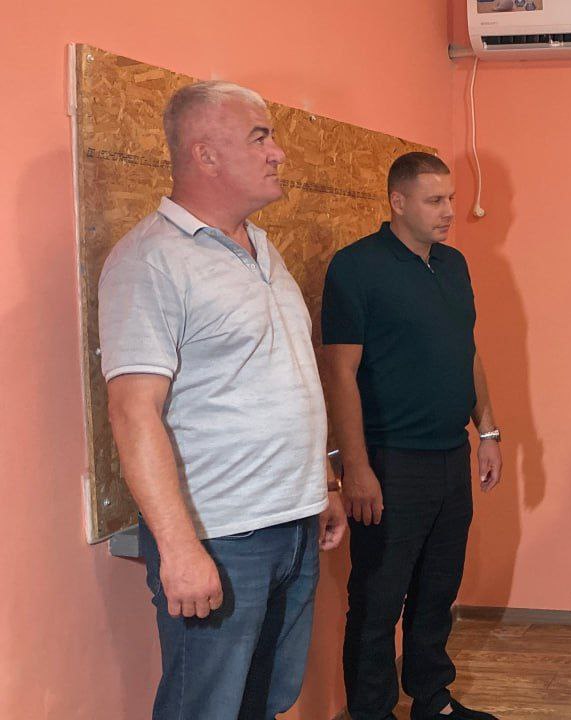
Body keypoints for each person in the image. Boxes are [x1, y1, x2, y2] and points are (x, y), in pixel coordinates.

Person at [99, 80, 346, 720]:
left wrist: (321, 483)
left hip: (292, 523)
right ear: (205, 154)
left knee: (268, 699)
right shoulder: (150, 260)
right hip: (221, 535)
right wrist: (179, 548)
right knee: (206, 708)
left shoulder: (261, 248)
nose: (278, 153)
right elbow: (132, 411)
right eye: (260, 138)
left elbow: (283, 377)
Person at [321, 152, 503, 720]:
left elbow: (467, 351)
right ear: (397, 202)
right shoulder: (356, 267)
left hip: (450, 455)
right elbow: (340, 372)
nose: (448, 211)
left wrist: (488, 430)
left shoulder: (453, 264)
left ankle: (432, 700)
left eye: (450, 199)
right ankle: (372, 712)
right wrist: (355, 468)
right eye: (435, 201)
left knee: (437, 591)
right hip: (389, 462)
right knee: (377, 602)